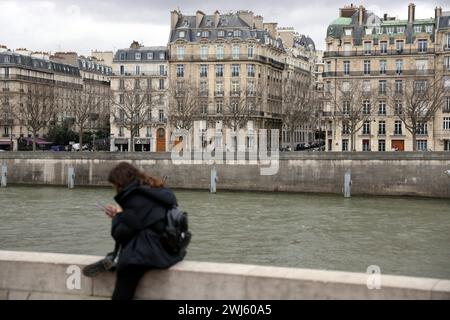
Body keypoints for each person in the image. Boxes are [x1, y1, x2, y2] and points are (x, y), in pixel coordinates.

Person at [82, 162, 186, 300]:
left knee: (125, 276)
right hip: (171, 246)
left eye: (115, 185)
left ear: (120, 183)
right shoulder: (153, 190)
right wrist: (122, 214)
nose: (115, 189)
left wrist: (118, 215)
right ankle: (113, 258)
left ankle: (113, 259)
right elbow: (140, 222)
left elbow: (120, 234)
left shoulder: (135, 199)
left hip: (156, 252)